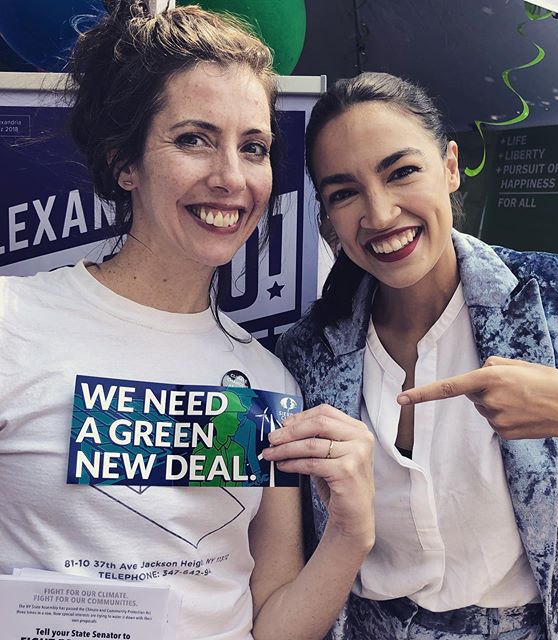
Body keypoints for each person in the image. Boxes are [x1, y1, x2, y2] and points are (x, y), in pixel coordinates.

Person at [0, 4, 374, 640]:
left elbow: (273, 623)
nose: (231, 177)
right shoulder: (12, 323)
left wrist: (350, 534)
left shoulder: (266, 378)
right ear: (125, 163)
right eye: (194, 139)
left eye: (252, 148)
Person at [276, 72, 558, 639]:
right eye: (344, 193)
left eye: (402, 172)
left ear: (450, 166)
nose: (379, 213)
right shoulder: (305, 355)